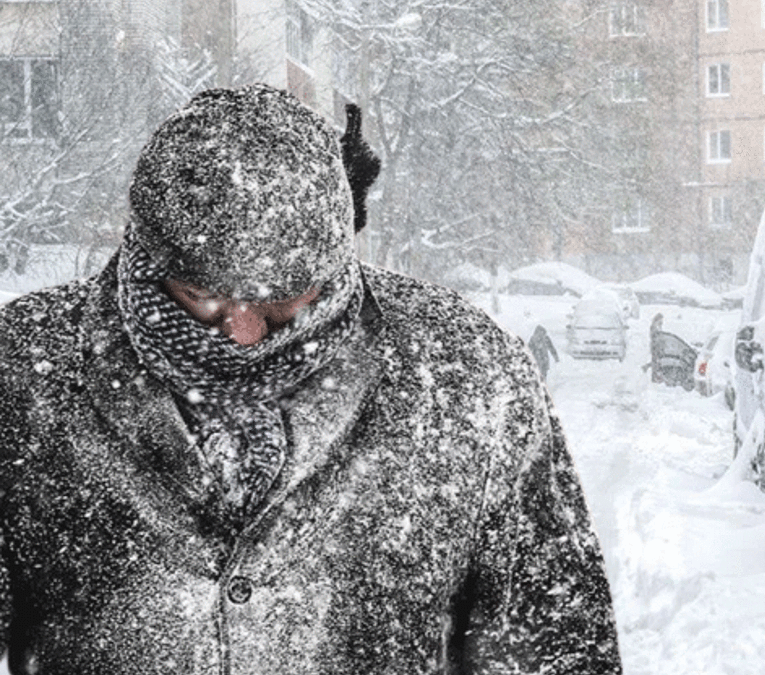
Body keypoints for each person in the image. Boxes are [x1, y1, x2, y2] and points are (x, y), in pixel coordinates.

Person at [0, 84, 622, 674]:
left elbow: (550, 643)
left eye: (283, 302)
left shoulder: (469, 376)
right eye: (200, 297)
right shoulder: (21, 373)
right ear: (143, 255)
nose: (244, 333)